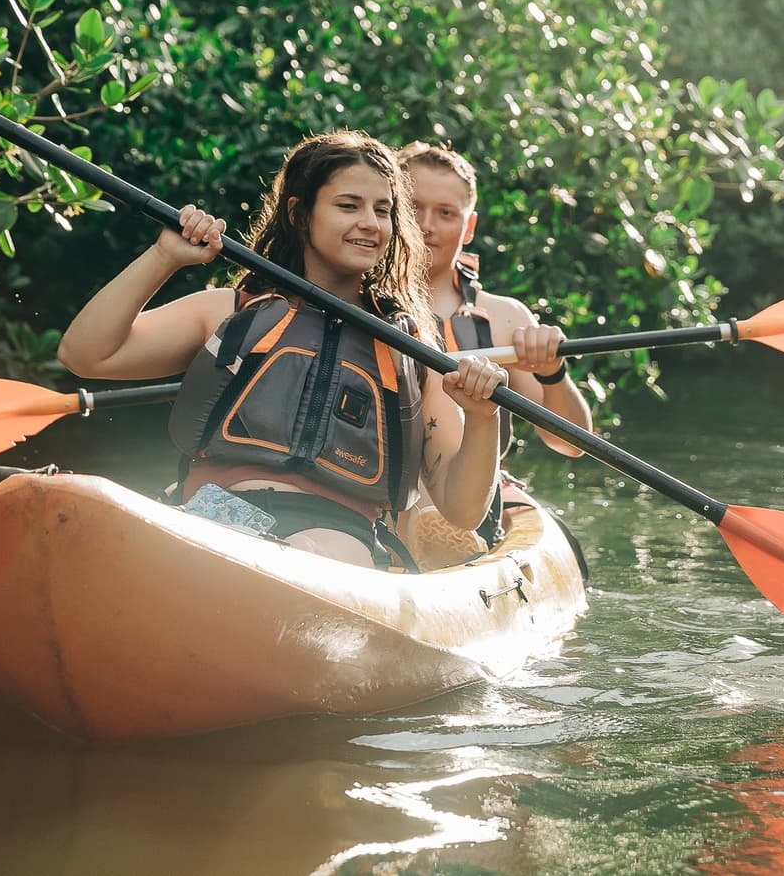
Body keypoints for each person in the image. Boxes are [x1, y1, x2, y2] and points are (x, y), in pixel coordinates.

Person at [56, 130, 506, 569]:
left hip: (335, 535)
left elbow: (463, 511)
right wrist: (165, 257)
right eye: (348, 206)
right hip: (213, 513)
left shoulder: (411, 352)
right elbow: (86, 355)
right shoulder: (230, 312)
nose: (370, 223)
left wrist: (483, 418)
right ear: (299, 213)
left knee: (317, 551)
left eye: (383, 210)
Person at [397, 141, 596, 458]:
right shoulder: (355, 302)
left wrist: (553, 374)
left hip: (480, 496)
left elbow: (573, 446)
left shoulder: (505, 317)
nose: (425, 226)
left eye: (446, 213)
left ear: (469, 228)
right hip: (381, 496)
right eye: (412, 207)